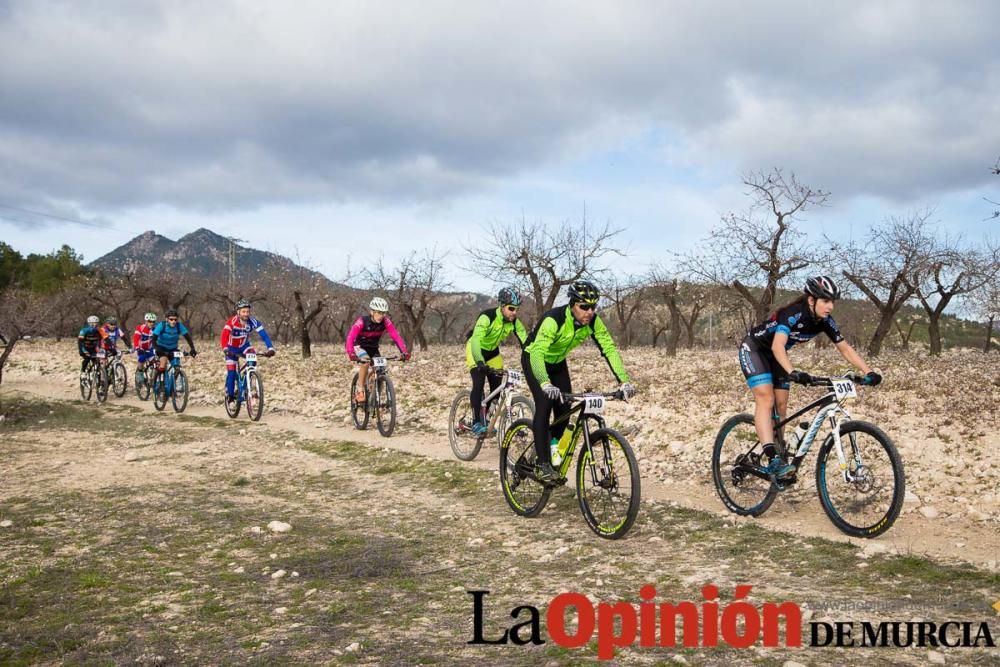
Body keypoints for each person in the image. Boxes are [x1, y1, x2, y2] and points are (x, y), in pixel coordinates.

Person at [739, 275, 882, 480]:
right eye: (826, 301)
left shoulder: (825, 322)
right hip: (755, 349)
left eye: (832, 301)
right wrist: (792, 371)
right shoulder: (792, 314)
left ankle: (779, 452)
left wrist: (868, 372)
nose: (830, 306)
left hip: (776, 355)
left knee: (781, 406)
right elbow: (778, 345)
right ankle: (773, 459)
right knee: (766, 399)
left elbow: (845, 349)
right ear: (811, 300)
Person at [522, 280, 635, 482]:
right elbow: (538, 352)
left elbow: (608, 348)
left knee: (565, 409)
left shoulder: (592, 321)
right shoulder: (553, 319)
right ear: (572, 304)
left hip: (557, 362)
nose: (589, 311)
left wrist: (624, 381)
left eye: (593, 306)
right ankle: (542, 464)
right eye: (584, 307)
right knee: (545, 403)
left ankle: (550, 446)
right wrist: (545, 383)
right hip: (534, 359)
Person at [466, 287, 528, 435]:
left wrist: (530, 362)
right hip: (476, 349)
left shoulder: (514, 322)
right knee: (479, 383)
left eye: (517, 309)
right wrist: (480, 362)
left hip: (493, 354)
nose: (514, 312)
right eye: (511, 308)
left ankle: (485, 419)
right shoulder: (487, 317)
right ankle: (476, 422)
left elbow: (526, 344)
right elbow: (475, 339)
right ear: (502, 306)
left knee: (497, 390)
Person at [345, 297, 410, 403]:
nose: (381, 316)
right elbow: (350, 337)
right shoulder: (362, 321)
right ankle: (360, 389)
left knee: (381, 369)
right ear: (372, 312)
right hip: (360, 346)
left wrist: (404, 352)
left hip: (373, 348)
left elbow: (396, 336)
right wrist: (351, 352)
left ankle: (374, 392)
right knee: (365, 362)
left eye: (383, 313)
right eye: (378, 313)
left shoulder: (386, 322)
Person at [220, 298, 275, 404]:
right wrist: (225, 348)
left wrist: (270, 348)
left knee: (253, 361)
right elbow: (224, 336)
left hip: (244, 346)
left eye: (248, 311)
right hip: (231, 348)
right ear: (238, 312)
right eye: (243, 311)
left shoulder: (253, 322)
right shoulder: (232, 322)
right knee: (231, 372)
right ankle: (230, 397)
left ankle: (245, 387)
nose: (246, 314)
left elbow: (264, 335)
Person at [151, 309, 197, 380]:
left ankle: (172, 385)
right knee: (163, 364)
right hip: (161, 348)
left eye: (175, 320)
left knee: (177, 367)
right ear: (167, 319)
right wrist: (157, 349)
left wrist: (193, 349)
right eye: (171, 319)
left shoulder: (179, 326)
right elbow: (153, 340)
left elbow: (188, 338)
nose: (173, 321)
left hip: (173, 348)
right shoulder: (162, 325)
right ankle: (157, 380)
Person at [132, 312, 157, 382]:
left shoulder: (156, 329)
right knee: (142, 358)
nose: (151, 323)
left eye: (153, 322)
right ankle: (140, 374)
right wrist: (137, 348)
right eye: (149, 322)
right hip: (141, 348)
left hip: (150, 348)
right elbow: (136, 339)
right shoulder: (140, 328)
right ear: (146, 321)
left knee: (156, 362)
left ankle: (154, 377)